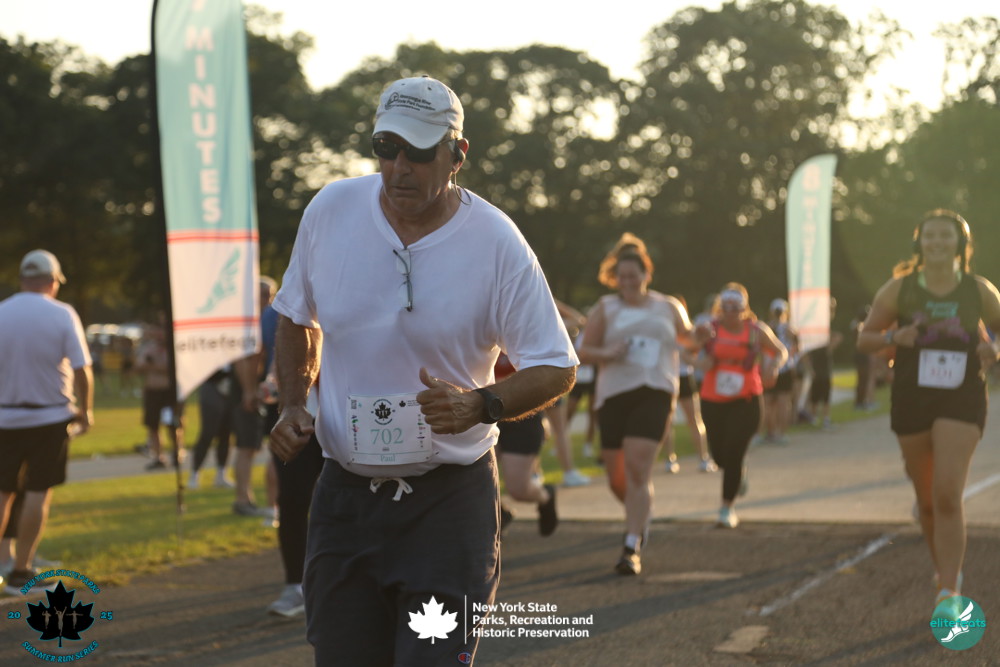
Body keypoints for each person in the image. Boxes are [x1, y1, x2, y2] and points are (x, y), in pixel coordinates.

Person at [268, 76, 577, 665]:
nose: (399, 167)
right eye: (386, 148)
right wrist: (292, 403)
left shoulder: (496, 241)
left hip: (447, 507)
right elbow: (296, 316)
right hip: (345, 500)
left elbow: (556, 364)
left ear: (457, 155)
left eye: (418, 151)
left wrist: (480, 404)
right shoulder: (331, 210)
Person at [857, 209, 1000, 614]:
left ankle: (949, 591)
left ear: (961, 244)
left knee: (948, 493)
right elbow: (865, 340)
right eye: (930, 236)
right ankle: (944, 571)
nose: (937, 242)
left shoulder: (978, 290)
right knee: (927, 502)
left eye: (946, 236)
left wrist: (994, 348)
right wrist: (894, 336)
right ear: (919, 243)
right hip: (912, 396)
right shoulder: (899, 289)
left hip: (962, 395)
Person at [578, 233, 695, 576]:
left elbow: (688, 340)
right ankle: (640, 514)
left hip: (655, 391)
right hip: (613, 395)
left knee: (638, 468)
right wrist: (606, 353)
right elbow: (583, 351)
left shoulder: (668, 306)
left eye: (634, 275)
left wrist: (700, 339)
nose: (628, 282)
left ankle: (631, 546)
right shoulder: (606, 308)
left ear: (647, 274)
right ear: (615, 278)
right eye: (622, 277)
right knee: (617, 479)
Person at [0, 250, 93, 593]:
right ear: (53, 281)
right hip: (50, 417)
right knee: (38, 492)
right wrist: (87, 410)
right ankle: (21, 571)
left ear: (23, 278)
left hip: (5, 416)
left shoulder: (2, 311)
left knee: (3, 492)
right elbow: (82, 369)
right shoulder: (62, 313)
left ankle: (4, 560)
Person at [695, 283, 787, 529]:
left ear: (744, 309)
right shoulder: (709, 330)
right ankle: (737, 474)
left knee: (734, 452)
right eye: (726, 307)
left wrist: (773, 366)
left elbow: (781, 351)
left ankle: (726, 508)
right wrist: (700, 361)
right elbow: (686, 350)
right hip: (713, 400)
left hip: (746, 400)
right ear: (719, 308)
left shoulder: (756, 331)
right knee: (720, 457)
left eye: (735, 308)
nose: (730, 313)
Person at [494, 353, 558, 537]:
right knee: (475, 476)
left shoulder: (519, 338)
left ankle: (545, 496)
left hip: (522, 415)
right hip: (482, 413)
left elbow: (544, 375)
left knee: (518, 489)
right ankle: (498, 512)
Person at [231, 278, 278, 519]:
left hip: (257, 390)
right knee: (247, 446)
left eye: (270, 295)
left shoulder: (265, 319)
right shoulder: (246, 323)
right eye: (262, 295)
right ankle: (242, 498)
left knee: (253, 446)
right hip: (246, 391)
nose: (267, 300)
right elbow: (243, 359)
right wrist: (248, 391)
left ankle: (246, 498)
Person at [546, 299, 590, 487]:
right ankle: (569, 472)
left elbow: (580, 322)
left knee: (534, 428)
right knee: (560, 429)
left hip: (531, 378)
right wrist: (554, 301)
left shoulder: (529, 320)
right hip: (546, 378)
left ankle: (535, 474)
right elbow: (579, 320)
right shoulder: (549, 323)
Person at [134, 316, 185, 469]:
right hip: (152, 392)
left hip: (169, 393)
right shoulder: (149, 348)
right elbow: (138, 367)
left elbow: (174, 369)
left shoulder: (174, 347)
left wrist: (154, 367)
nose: (159, 333)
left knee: (172, 424)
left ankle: (177, 452)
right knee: (153, 426)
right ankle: (159, 457)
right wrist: (152, 365)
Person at [187, 367, 235, 490]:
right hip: (211, 384)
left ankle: (221, 474)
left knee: (226, 433)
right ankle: (194, 474)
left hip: (231, 385)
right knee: (208, 432)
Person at [761, 298, 799, 444]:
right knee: (781, 403)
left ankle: (772, 433)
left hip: (771, 368)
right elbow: (797, 350)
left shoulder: (767, 327)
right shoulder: (790, 329)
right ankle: (780, 434)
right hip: (785, 368)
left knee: (770, 403)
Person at [805, 298, 843, 431]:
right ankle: (813, 417)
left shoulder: (826, 329)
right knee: (816, 394)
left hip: (825, 366)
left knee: (825, 394)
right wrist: (810, 368)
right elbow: (807, 353)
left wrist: (831, 347)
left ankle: (825, 418)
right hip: (817, 365)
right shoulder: (815, 330)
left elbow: (837, 337)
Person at [850, 304, 877, 410]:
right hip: (862, 354)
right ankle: (860, 402)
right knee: (863, 379)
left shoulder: (855, 324)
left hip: (860, 354)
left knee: (863, 379)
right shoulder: (860, 325)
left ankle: (861, 401)